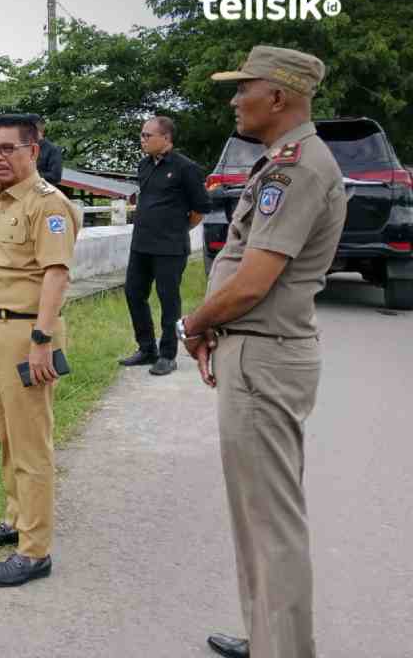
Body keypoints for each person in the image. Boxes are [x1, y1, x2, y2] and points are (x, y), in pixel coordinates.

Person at [178, 46, 344, 658]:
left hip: (266, 357)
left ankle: (284, 648)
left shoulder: (295, 168)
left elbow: (254, 281)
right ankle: (268, 636)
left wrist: (192, 324)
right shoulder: (283, 161)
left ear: (277, 96)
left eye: (242, 88)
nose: (233, 100)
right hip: (260, 352)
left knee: (271, 522)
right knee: (257, 516)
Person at [0, 113, 80, 587]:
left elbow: (56, 274)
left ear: (33, 151)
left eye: (8, 148)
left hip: (27, 335)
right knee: (6, 436)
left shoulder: (48, 205)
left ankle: (36, 551)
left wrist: (41, 341)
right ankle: (16, 521)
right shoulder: (0, 205)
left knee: (32, 444)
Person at [119, 116, 212, 376]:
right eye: (142, 135)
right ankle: (147, 348)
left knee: (168, 299)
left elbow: (200, 209)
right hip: (141, 244)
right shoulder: (144, 165)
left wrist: (178, 230)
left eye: (148, 135)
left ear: (166, 138)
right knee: (134, 293)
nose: (143, 140)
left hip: (169, 247)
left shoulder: (185, 168)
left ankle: (168, 354)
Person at [30, 114, 64, 185]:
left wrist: (31, 175)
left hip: (42, 192)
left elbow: (55, 176)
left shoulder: (53, 150)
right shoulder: (24, 148)